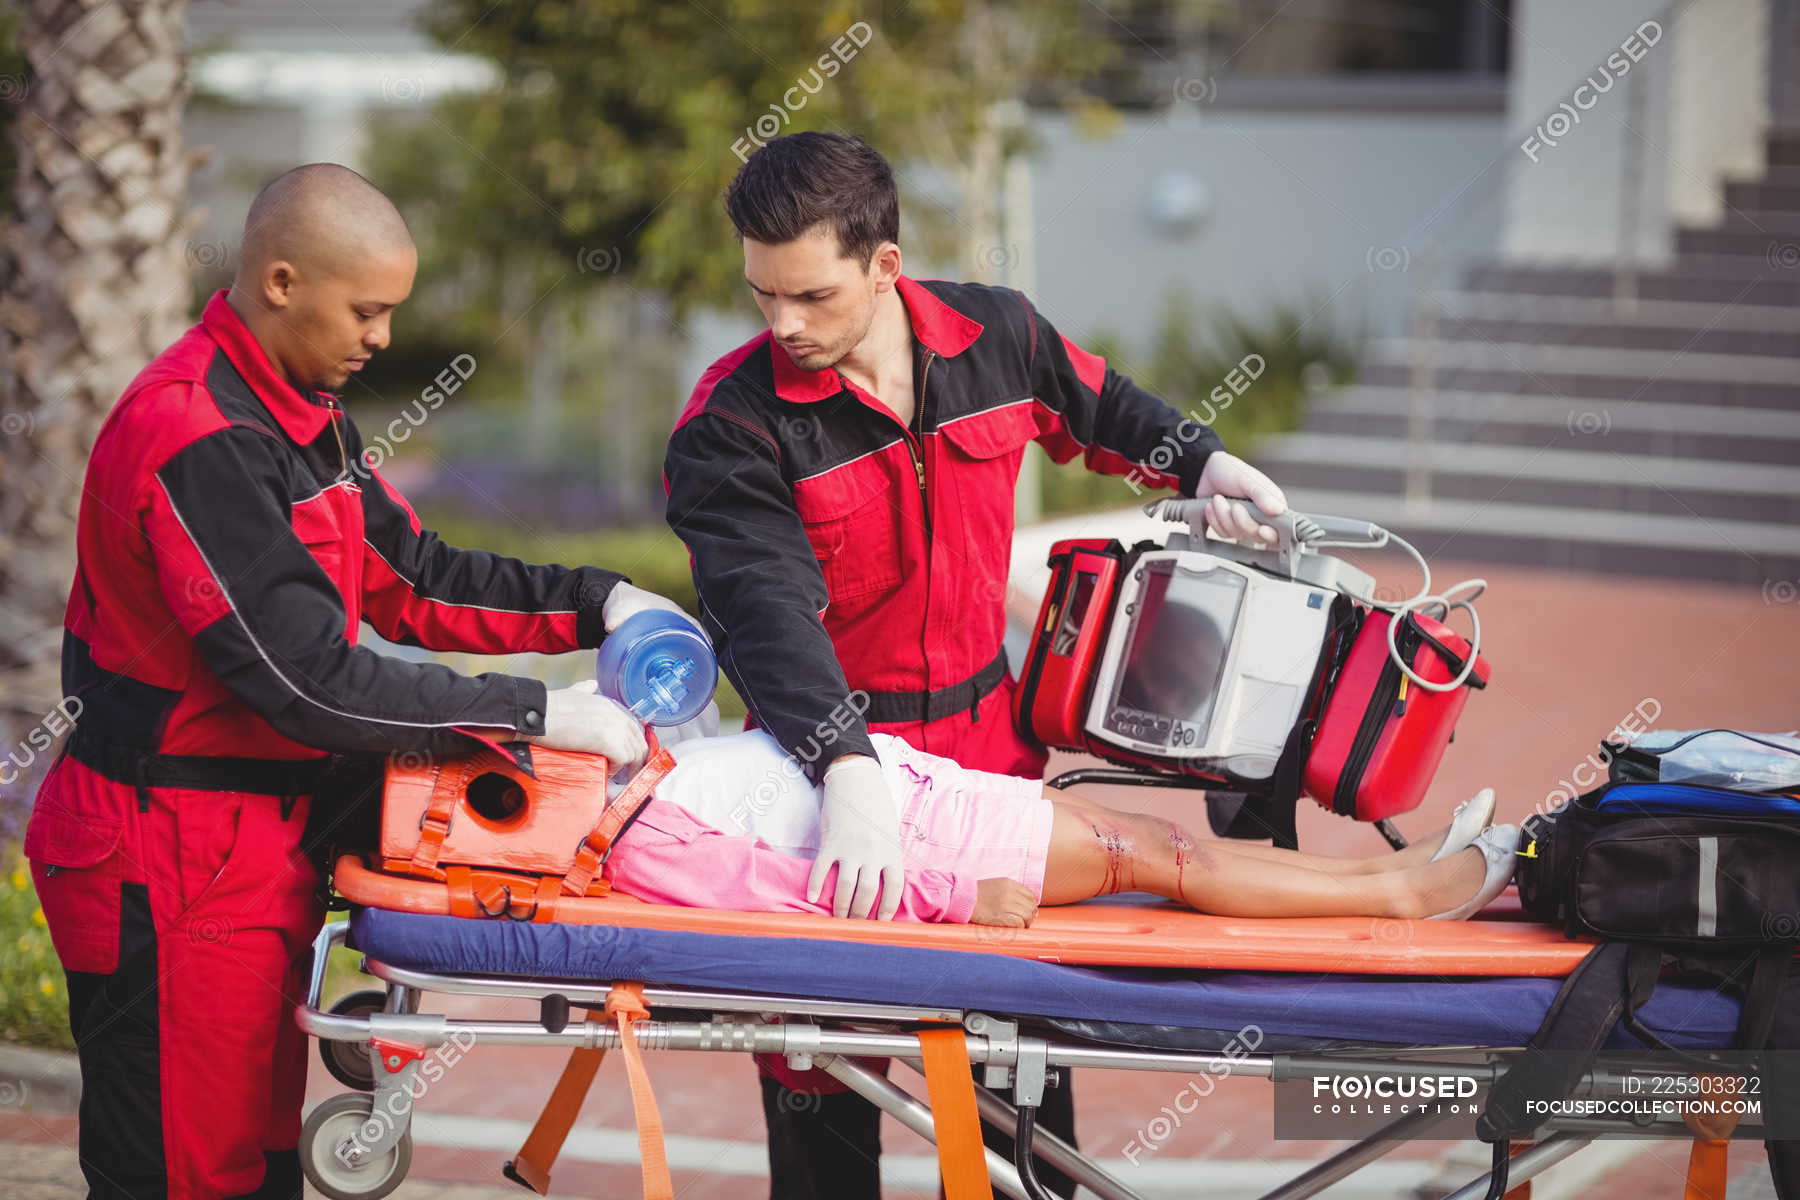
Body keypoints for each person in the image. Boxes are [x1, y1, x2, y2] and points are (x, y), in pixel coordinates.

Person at [22, 163, 692, 1200]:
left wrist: (602, 601)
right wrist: (536, 711)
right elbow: (307, 681)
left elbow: (415, 578)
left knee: (257, 1164)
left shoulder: (302, 416)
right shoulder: (196, 435)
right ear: (282, 281)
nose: (380, 337)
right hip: (162, 849)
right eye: (367, 310)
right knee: (177, 1176)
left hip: (249, 844)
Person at [663, 130, 1290, 1195]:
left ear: (886, 266)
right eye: (762, 295)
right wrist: (845, 770)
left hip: (993, 766)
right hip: (829, 791)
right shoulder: (732, 426)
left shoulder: (996, 337)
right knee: (825, 1088)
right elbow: (764, 615)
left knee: (1023, 1092)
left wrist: (1205, 460)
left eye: (810, 296)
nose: (782, 324)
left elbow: (1099, 406)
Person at [603, 728, 1519, 926]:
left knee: (1164, 841)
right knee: (1167, 860)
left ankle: (1385, 875)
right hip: (935, 844)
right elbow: (790, 890)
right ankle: (1406, 896)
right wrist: (958, 899)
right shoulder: (635, 841)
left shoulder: (626, 774)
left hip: (922, 790)